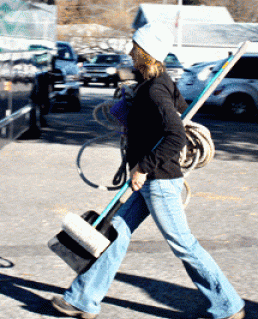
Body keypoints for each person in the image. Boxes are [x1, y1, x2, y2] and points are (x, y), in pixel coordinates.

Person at [51, 22, 245, 319]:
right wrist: (133, 104)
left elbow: (175, 135)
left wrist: (142, 166)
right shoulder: (158, 82)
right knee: (115, 235)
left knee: (184, 245)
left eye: (134, 47)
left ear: (145, 52)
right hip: (148, 181)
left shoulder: (155, 89)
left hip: (159, 181)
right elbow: (179, 105)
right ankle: (82, 300)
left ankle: (228, 305)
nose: (130, 51)